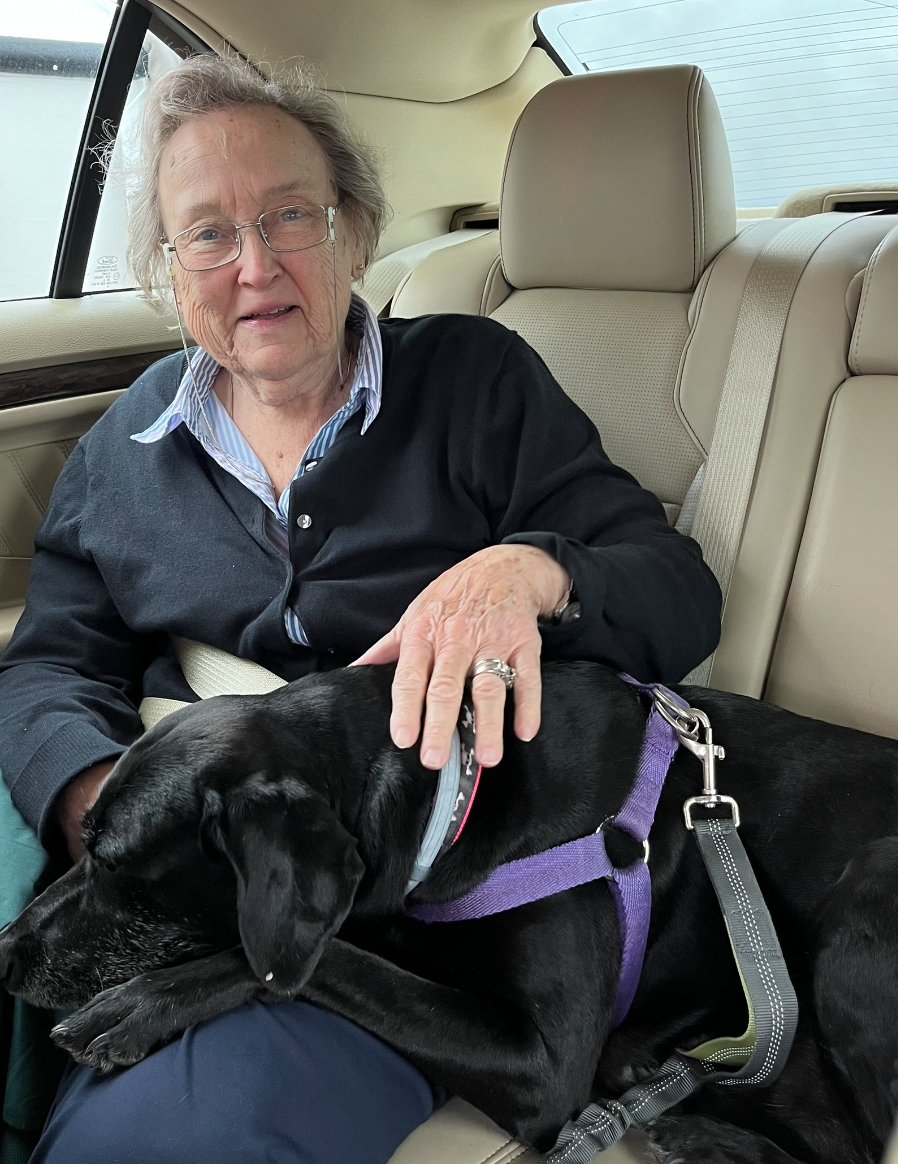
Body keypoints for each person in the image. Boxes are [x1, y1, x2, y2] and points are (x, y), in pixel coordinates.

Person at [0, 53, 721, 1164]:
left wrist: (527, 572)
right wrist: (103, 806)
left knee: (157, 1139)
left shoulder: (475, 383)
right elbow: (50, 665)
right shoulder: (123, 447)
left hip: (398, 912)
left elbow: (674, 591)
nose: (253, 265)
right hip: (163, 854)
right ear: (169, 268)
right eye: (207, 233)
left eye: (290, 215)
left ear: (355, 231)